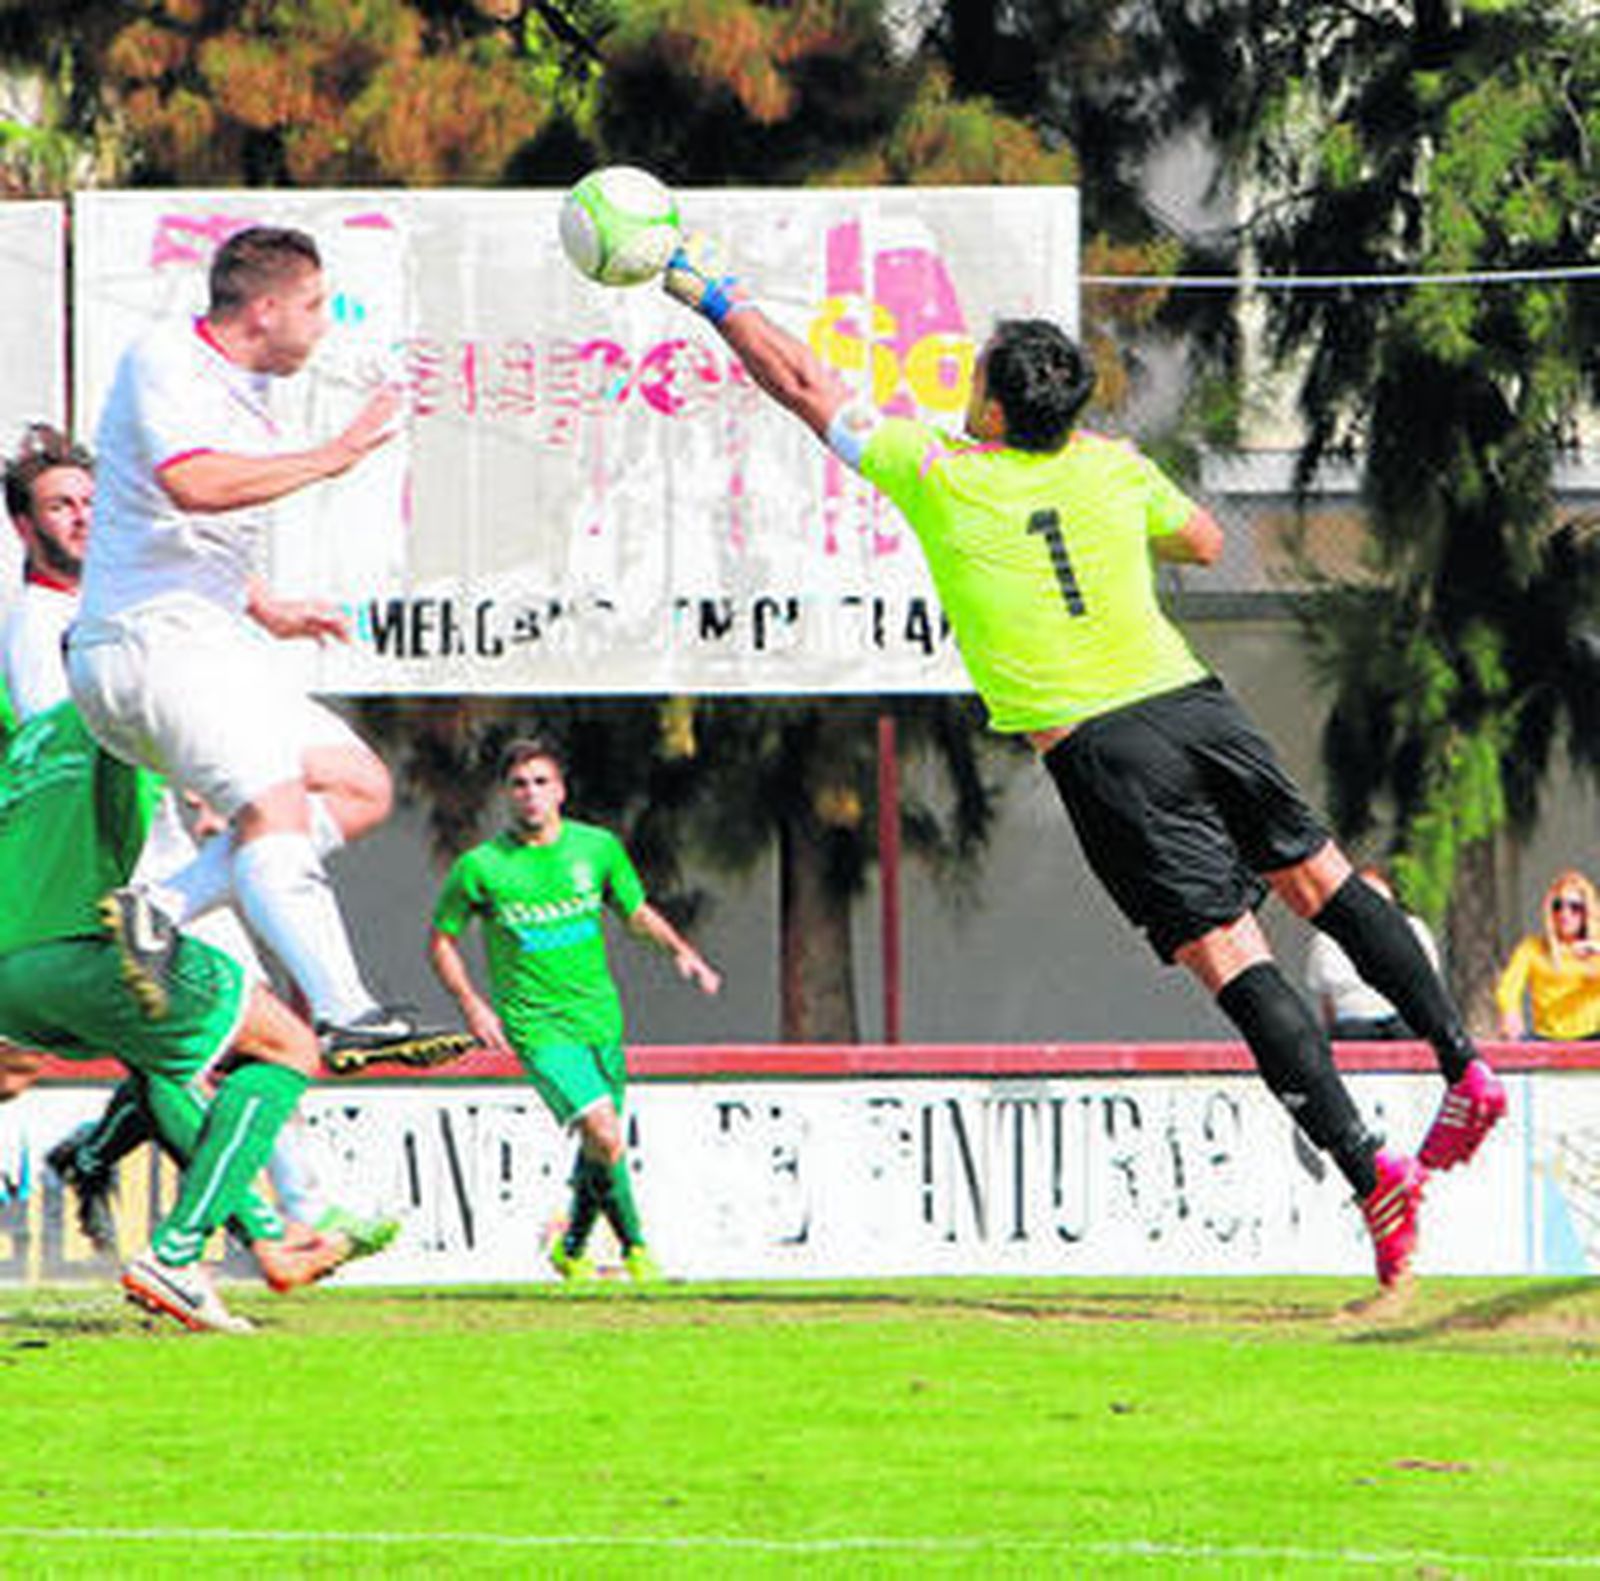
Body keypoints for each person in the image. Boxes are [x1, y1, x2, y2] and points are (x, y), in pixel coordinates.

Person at [658, 234, 1507, 1290]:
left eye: (978, 382)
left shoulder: (942, 475)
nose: (966, 392)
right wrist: (1115, 502)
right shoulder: (1111, 465)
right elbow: (1204, 539)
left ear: (1000, 412)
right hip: (1198, 706)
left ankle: (1368, 1168)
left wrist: (707, 291)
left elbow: (798, 380)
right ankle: (1464, 1064)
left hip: (1106, 752)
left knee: (1232, 958)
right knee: (1321, 879)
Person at [64, 224, 469, 1070]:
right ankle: (346, 1010)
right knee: (273, 807)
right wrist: (335, 453)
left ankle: (160, 907)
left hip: (203, 647)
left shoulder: (244, 387)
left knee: (357, 786)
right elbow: (189, 481)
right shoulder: (164, 357)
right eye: (315, 305)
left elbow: (171, 525)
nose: (322, 324)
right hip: (147, 651)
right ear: (267, 308)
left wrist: (270, 607)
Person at [1, 423, 396, 1260]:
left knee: (225, 1039)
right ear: (24, 527)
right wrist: (197, 768)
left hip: (169, 858)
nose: (80, 517)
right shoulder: (39, 626)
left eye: (88, 502)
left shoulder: (113, 585)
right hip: (126, 862)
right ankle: (275, 1222)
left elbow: (191, 558)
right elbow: (76, 746)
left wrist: (273, 610)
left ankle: (279, 1218)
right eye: (59, 506)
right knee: (238, 1041)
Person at [0, 701, 386, 1332]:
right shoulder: (122, 712)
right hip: (95, 941)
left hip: (11, 970)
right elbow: (238, 770)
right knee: (285, 1048)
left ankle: (266, 1241)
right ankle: (179, 1253)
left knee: (165, 1073)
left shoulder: (27, 743)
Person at [428, 736, 723, 1283]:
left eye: (541, 782)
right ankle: (637, 1251)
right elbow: (441, 939)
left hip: (599, 1017)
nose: (530, 794)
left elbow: (634, 912)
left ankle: (572, 1246)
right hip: (537, 1025)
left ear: (560, 790)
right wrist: (473, 1006)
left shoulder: (598, 849)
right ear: (507, 795)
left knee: (598, 1142)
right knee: (606, 1132)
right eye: (519, 785)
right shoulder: (482, 867)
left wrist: (683, 953)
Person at [1305, 865, 1442, 1040]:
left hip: (1402, 1022)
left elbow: (1428, 983)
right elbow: (1326, 998)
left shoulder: (1414, 929)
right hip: (1351, 1022)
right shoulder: (1327, 938)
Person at [1495, 869, 1600, 1040]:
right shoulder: (1532, 948)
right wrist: (1510, 1012)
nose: (1564, 914)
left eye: (1574, 907)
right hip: (1548, 1038)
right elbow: (1508, 988)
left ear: (1586, 912)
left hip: (1593, 1037)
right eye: (1558, 906)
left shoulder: (1596, 950)